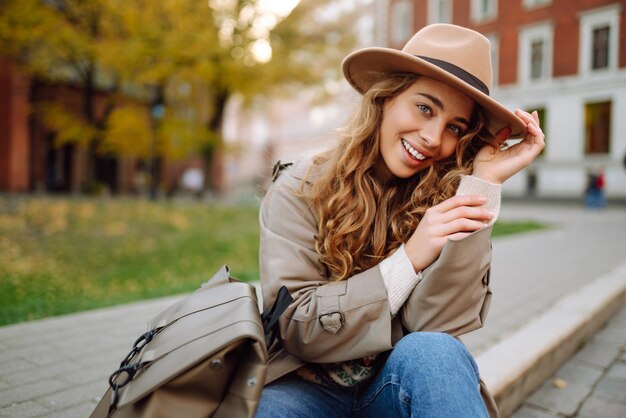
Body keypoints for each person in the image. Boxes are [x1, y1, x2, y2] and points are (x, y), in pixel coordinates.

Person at [255, 24, 545, 418]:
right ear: (385, 97)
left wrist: (482, 187)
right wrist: (409, 259)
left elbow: (438, 329)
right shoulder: (301, 186)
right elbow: (298, 328)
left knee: (437, 353)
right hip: (301, 387)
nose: (432, 137)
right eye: (425, 108)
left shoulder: (445, 195)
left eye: (454, 128)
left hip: (392, 385)